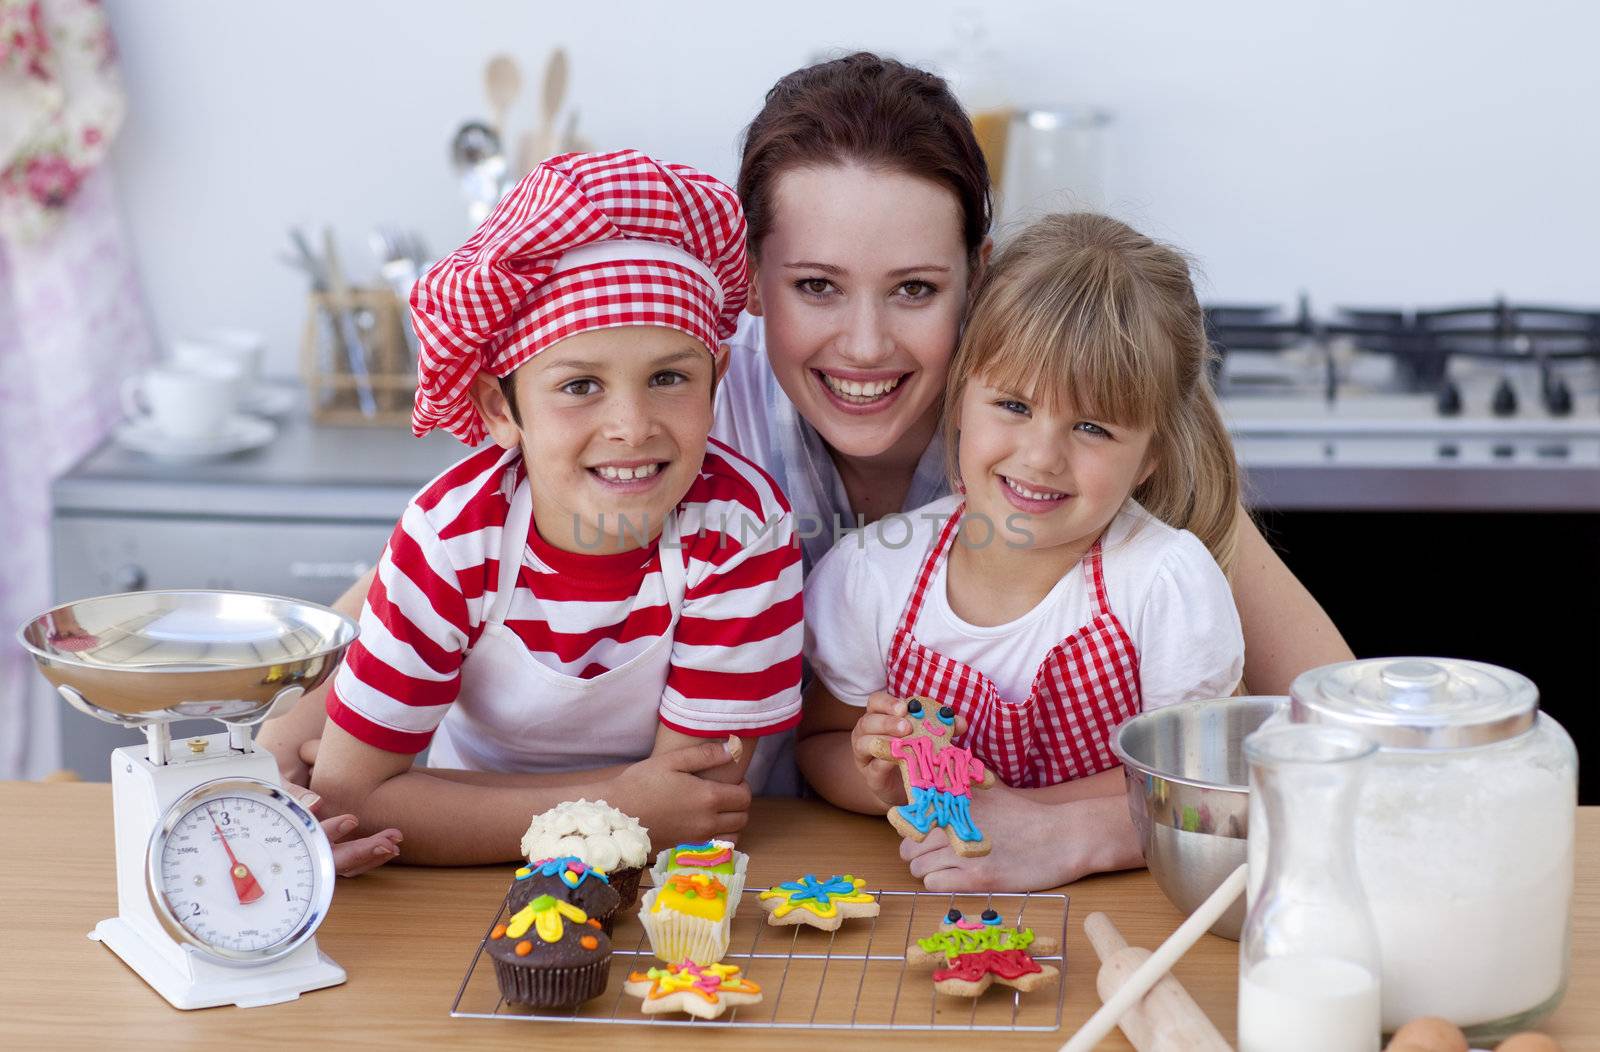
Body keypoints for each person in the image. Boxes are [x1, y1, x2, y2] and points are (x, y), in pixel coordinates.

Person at [265, 52, 1351, 869]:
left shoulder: (1061, 426)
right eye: (816, 287)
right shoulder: (678, 398)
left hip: (916, 869)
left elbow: (1332, 729)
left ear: (975, 275)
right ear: (744, 280)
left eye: (915, 291)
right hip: (703, 861)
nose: (866, 346)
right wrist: (283, 739)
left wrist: (1080, 828)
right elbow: (421, 580)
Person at [303, 150, 804, 866]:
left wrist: (431, 799)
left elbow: (699, 803)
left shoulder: (742, 531)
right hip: (456, 890)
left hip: (634, 880)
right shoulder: (453, 537)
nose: (632, 425)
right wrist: (627, 801)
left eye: (669, 377)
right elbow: (354, 797)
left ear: (717, 379)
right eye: (579, 387)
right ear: (497, 407)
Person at [799, 212, 1244, 890]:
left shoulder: (1163, 583)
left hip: (1131, 911)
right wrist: (887, 782)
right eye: (1012, 406)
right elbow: (820, 746)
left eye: (1092, 426)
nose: (1041, 457)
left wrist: (1041, 825)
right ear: (958, 401)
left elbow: (1214, 794)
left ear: (1150, 453)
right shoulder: (871, 577)